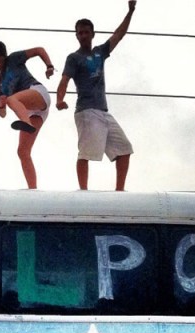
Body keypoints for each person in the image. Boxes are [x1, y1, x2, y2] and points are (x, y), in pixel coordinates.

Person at [55, 1, 136, 191]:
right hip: (86, 111)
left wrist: (130, 11)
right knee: (85, 153)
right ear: (76, 36)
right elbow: (64, 80)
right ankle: (83, 191)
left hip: (103, 111)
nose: (83, 35)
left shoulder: (100, 52)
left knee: (124, 149)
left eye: (86, 32)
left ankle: (120, 192)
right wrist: (59, 99)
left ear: (92, 34)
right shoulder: (74, 58)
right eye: (79, 33)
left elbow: (118, 35)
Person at [0, 42, 56, 189]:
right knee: (22, 151)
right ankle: (32, 189)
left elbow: (39, 49)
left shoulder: (14, 59)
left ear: (5, 55)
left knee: (13, 99)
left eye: (1, 54)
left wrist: (49, 65)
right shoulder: (0, 85)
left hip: (37, 93)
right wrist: (1, 105)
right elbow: (2, 114)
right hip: (32, 112)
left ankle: (26, 123)